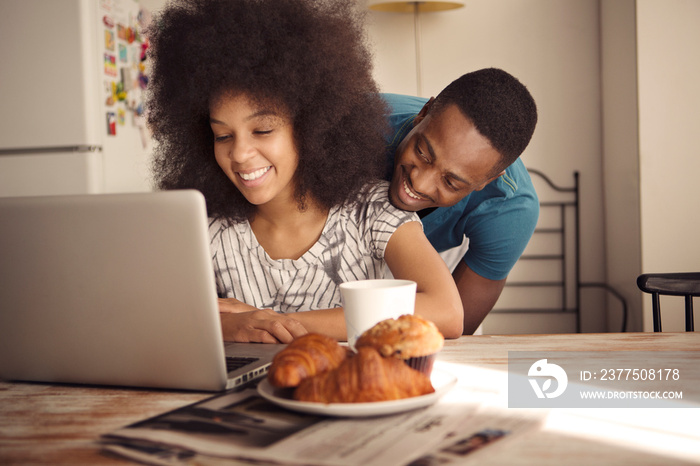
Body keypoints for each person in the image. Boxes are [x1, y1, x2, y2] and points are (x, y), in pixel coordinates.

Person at [145, 0, 463, 343]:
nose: (238, 153)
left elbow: (447, 312)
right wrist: (223, 326)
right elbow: (161, 324)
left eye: (262, 130)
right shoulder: (209, 231)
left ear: (311, 127)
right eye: (223, 135)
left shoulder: (371, 212)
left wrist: (273, 322)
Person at [381, 69, 539, 335]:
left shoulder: (510, 208)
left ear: (488, 181)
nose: (420, 183)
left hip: (437, 251)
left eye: (451, 182)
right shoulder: (356, 123)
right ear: (424, 113)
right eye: (422, 152)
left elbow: (455, 328)